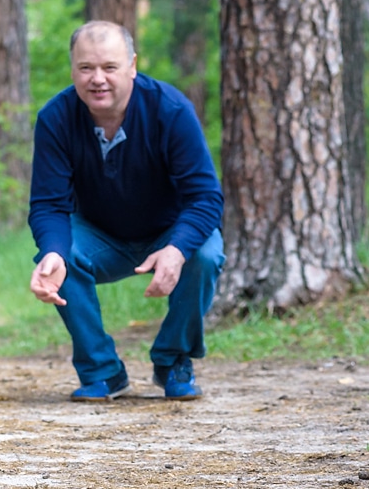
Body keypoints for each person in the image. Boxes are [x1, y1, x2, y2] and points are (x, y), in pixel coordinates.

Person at [28, 21, 225, 402]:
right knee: (59, 257)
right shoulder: (55, 118)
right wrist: (52, 250)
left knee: (205, 253)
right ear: (72, 69)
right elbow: (49, 205)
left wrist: (178, 248)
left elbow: (205, 197)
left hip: (169, 231)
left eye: (109, 67)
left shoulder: (171, 111)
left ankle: (173, 361)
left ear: (132, 66)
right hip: (101, 237)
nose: (97, 79)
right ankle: (102, 371)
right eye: (86, 68)